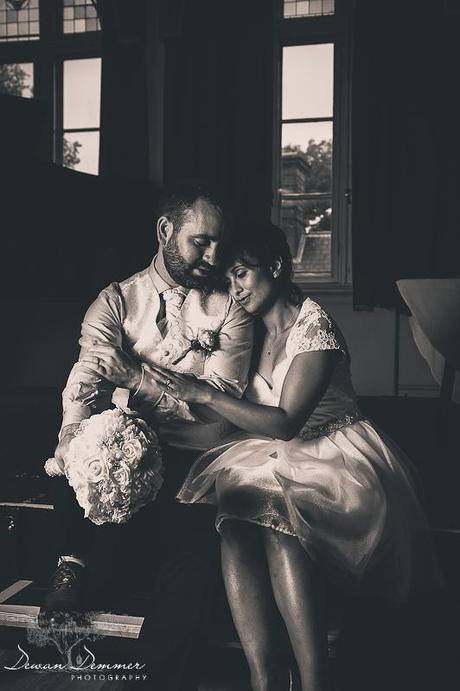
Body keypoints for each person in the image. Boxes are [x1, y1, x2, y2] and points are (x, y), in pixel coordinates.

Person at [146, 222, 442, 691]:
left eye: (241, 273)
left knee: (279, 521)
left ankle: (314, 680)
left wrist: (203, 392)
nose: (234, 289)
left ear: (277, 267)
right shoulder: (245, 335)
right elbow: (232, 424)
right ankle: (263, 676)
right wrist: (156, 435)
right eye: (227, 280)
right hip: (270, 451)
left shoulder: (314, 325)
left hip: (336, 455)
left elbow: (286, 421)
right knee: (236, 518)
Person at [42, 181, 253, 691]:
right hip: (127, 453)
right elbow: (87, 378)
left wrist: (137, 379)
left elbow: (218, 403)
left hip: (198, 463)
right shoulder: (115, 300)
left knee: (195, 562)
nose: (214, 255)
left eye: (220, 243)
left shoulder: (232, 308)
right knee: (80, 444)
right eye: (200, 241)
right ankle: (71, 567)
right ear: (165, 231)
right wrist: (72, 433)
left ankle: (151, 682)